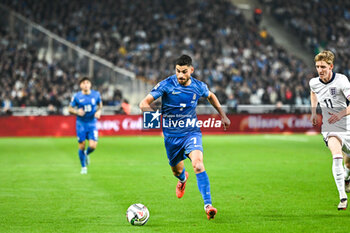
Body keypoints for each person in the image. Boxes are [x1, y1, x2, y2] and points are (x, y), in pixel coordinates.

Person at [139, 55, 231, 219]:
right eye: (178, 71)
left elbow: (211, 96)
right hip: (172, 137)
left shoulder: (198, 86)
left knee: (198, 164)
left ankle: (208, 205)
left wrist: (223, 115)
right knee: (177, 171)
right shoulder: (167, 84)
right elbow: (144, 103)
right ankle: (182, 179)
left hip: (191, 132)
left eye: (184, 71)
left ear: (191, 70)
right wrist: (153, 119)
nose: (180, 75)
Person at [310, 50, 350, 210]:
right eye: (318, 66)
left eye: (323, 67)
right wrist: (313, 111)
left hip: (347, 124)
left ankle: (346, 176)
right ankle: (342, 197)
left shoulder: (342, 81)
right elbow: (313, 93)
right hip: (330, 126)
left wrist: (340, 114)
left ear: (331, 66)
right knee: (337, 155)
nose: (320, 70)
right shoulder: (313, 82)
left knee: (348, 162)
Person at [69, 77, 103, 174]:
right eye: (83, 83)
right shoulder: (77, 96)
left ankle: (86, 154)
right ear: (80, 85)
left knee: (93, 146)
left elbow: (100, 104)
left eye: (87, 82)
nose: (86, 84)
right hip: (81, 124)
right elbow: (70, 109)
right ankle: (83, 167)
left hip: (92, 123)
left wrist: (99, 111)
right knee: (82, 145)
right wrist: (76, 111)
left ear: (90, 84)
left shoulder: (96, 95)